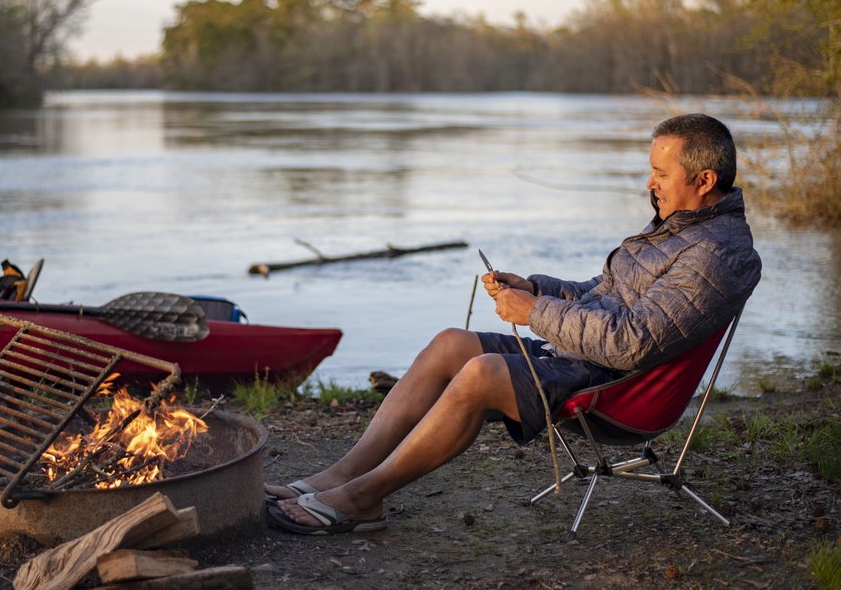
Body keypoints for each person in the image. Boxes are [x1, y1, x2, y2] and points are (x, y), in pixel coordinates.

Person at [265, 113, 762, 535]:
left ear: (703, 180)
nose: (649, 183)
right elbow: (602, 292)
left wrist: (534, 314)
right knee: (449, 344)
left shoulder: (715, 254)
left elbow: (631, 343)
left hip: (616, 386)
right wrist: (535, 288)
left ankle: (360, 499)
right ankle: (339, 476)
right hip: (582, 358)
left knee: (481, 373)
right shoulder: (680, 227)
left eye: (660, 172)